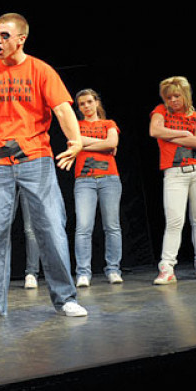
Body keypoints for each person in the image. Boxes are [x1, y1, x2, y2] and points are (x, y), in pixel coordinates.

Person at [0, 12, 87, 320]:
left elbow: (62, 109)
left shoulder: (40, 70)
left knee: (51, 229)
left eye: (5, 36)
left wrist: (77, 141)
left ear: (21, 39)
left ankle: (66, 298)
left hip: (36, 159)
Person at [149, 76, 196, 284]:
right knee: (174, 221)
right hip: (174, 173)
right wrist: (184, 133)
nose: (173, 100)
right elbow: (154, 131)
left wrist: (170, 137)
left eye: (177, 96)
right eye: (169, 97)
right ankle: (167, 267)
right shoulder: (160, 111)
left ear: (185, 95)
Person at [73, 88, 123, 286]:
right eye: (82, 104)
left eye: (89, 102)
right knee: (83, 227)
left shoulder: (108, 123)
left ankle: (113, 270)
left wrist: (84, 145)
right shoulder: (76, 125)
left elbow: (113, 142)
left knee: (112, 226)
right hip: (84, 180)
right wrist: (104, 145)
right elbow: (76, 142)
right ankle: (83, 273)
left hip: (109, 178)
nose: (86, 106)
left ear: (96, 103)